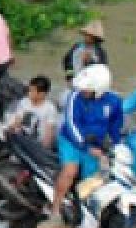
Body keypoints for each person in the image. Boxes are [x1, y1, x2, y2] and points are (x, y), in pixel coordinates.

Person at [51, 64, 124, 214]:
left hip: (95, 145)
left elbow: (115, 126)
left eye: (87, 89)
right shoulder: (74, 97)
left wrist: (118, 146)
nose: (83, 91)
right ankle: (55, 208)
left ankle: (82, 209)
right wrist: (86, 148)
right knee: (70, 171)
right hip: (71, 141)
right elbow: (72, 125)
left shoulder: (114, 101)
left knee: (94, 179)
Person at [5, 75, 60, 149]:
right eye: (29, 90)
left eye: (32, 91)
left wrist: (44, 150)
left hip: (39, 142)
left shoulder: (50, 108)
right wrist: (9, 130)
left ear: (41, 94)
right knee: (10, 122)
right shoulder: (24, 102)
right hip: (25, 137)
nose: (29, 93)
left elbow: (48, 134)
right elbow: (17, 122)